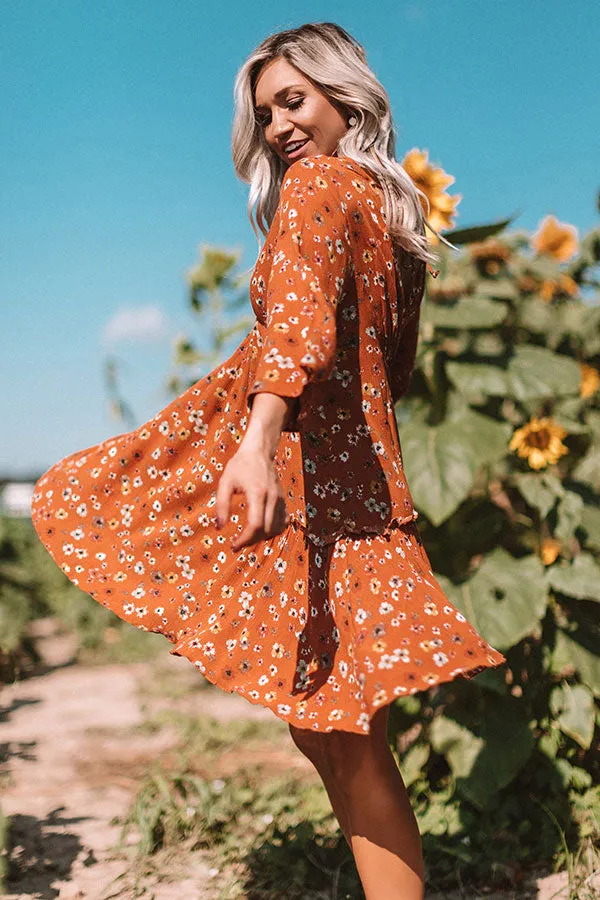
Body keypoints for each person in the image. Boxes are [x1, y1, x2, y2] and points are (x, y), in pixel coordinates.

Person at [30, 22, 506, 900]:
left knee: (349, 737)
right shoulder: (389, 208)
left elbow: (299, 331)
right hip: (347, 479)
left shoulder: (323, 185)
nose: (281, 125)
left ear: (345, 97)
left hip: (310, 474)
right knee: (323, 722)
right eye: (266, 112)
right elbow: (384, 368)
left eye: (296, 100)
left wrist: (254, 442)